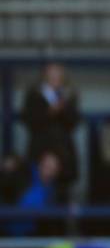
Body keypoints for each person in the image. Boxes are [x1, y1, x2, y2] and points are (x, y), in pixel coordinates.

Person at [21, 62, 80, 203]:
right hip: (40, 149)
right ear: (44, 76)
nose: (54, 77)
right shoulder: (34, 94)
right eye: (51, 73)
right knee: (39, 190)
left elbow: (74, 122)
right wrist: (49, 112)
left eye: (58, 73)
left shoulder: (69, 95)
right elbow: (29, 120)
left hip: (63, 151)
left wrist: (62, 110)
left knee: (62, 194)